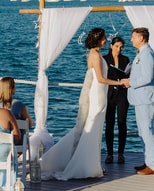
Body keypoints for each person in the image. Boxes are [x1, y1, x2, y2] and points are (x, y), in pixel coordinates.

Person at [39, 27, 126, 180]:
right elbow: (100, 79)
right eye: (105, 37)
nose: (106, 39)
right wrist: (119, 83)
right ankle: (88, 165)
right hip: (98, 94)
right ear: (99, 39)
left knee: (95, 129)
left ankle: (94, 164)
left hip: (98, 92)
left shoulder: (94, 54)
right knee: (93, 129)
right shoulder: (96, 56)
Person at [123, 27, 154, 175]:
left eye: (133, 37)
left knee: (147, 131)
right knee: (142, 131)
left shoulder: (147, 54)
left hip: (145, 98)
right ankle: (148, 161)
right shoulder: (141, 53)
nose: (131, 40)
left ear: (141, 38)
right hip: (139, 99)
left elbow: (147, 77)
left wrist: (130, 82)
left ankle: (153, 165)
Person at [103, 36, 131, 164]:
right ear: (111, 46)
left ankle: (121, 153)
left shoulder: (125, 59)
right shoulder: (105, 59)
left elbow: (128, 74)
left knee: (122, 123)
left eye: (121, 47)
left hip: (122, 95)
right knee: (109, 124)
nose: (119, 49)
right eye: (116, 46)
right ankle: (109, 154)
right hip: (109, 94)